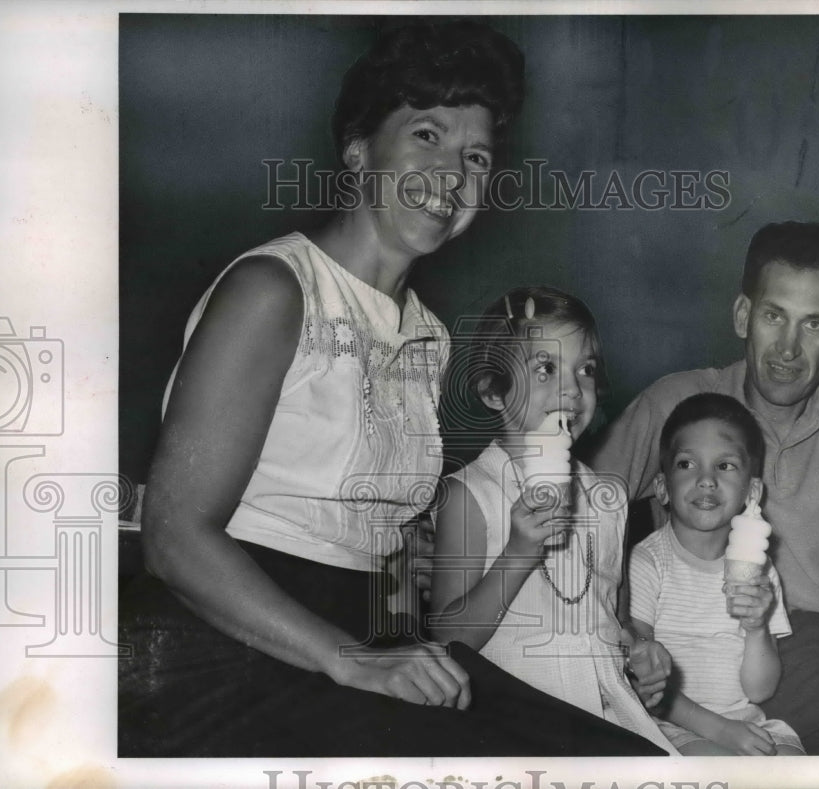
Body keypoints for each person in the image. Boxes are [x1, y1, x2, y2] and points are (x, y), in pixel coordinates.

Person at [119, 20, 667, 757]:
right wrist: (350, 657)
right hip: (231, 646)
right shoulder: (274, 290)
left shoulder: (431, 336)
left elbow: (385, 557)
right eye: (426, 136)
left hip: (364, 638)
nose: (451, 176)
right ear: (357, 149)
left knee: (624, 757)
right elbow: (172, 537)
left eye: (475, 156)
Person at [587, 220, 819, 755]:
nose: (787, 348)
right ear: (744, 315)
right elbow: (579, 507)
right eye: (773, 316)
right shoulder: (681, 402)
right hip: (707, 654)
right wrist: (623, 628)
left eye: (813, 325)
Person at [429, 287, 678, 755]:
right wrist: (518, 552)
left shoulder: (607, 500)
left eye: (585, 369)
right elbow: (448, 638)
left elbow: (614, 620)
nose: (572, 389)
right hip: (514, 723)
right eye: (546, 369)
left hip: (605, 717)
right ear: (493, 390)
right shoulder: (471, 494)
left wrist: (639, 655)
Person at [627, 393, 804, 755]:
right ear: (662, 487)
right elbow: (639, 681)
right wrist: (720, 731)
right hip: (668, 725)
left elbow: (760, 691)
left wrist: (756, 628)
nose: (706, 480)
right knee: (721, 770)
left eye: (724, 466)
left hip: (745, 719)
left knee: (792, 767)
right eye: (687, 464)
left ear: (752, 491)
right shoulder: (646, 562)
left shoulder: (760, 571)